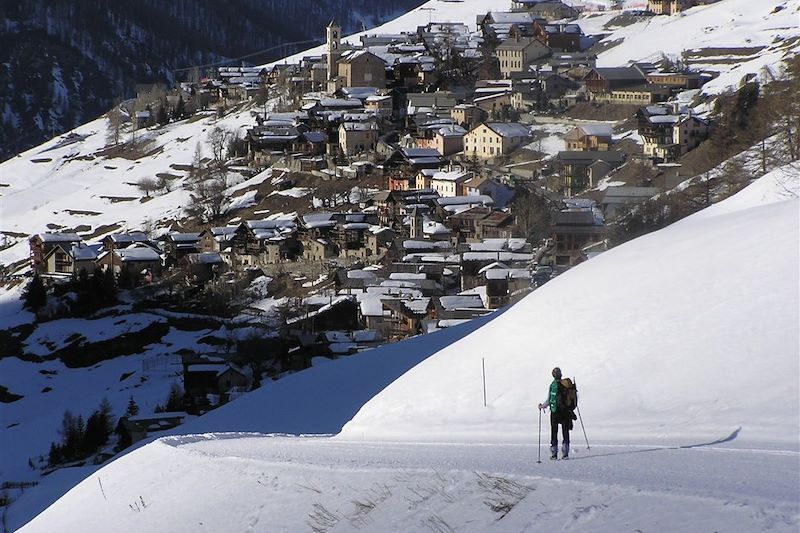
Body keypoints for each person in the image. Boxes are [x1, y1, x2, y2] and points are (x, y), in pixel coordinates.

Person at [538, 367, 575, 460]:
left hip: (555, 412)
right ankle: (565, 453)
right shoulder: (566, 385)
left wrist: (542, 406)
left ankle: (554, 453)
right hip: (566, 412)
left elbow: (550, 399)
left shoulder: (553, 385)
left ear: (553, 375)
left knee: (554, 431)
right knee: (565, 432)